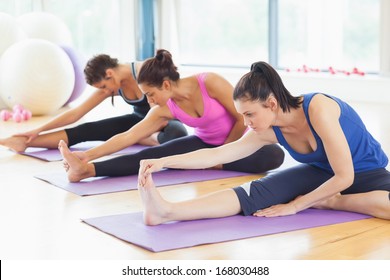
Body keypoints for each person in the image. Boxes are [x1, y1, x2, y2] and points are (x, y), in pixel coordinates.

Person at [137, 61, 390, 226]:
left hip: (366, 172)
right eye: (242, 115)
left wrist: (297, 205)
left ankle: (332, 202)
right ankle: (167, 211)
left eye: (249, 114)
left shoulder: (319, 109)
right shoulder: (267, 129)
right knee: (256, 193)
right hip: (321, 173)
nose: (246, 123)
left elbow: (345, 176)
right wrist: (162, 162)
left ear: (271, 104)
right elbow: (218, 155)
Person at [58, 49, 284, 182]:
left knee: (274, 156)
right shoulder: (164, 108)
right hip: (203, 143)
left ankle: (202, 163)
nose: (149, 101)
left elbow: (239, 116)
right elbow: (128, 137)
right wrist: (87, 156)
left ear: (165, 84)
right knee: (152, 156)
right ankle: (87, 171)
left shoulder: (209, 82)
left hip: (238, 143)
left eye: (151, 94)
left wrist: (221, 156)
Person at [0, 54, 187, 153]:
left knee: (177, 133)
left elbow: (159, 116)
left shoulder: (143, 70)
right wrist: (37, 130)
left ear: (110, 73)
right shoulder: (112, 83)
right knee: (87, 129)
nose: (104, 92)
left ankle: (138, 138)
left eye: (104, 87)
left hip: (162, 120)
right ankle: (24, 143)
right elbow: (76, 114)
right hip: (139, 121)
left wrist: (138, 135)